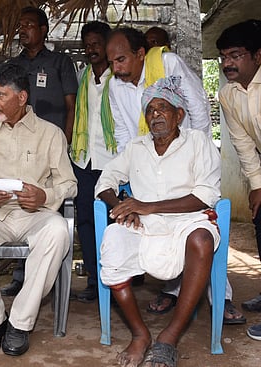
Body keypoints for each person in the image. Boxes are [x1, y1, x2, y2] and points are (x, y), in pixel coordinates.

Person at [95, 76, 221, 367]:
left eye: (162, 108)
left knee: (201, 239)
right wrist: (123, 207)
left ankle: (169, 337)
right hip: (145, 226)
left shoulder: (198, 142)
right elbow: (104, 182)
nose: (155, 115)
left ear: (179, 114)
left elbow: (205, 195)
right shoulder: (136, 147)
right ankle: (140, 334)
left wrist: (147, 206)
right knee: (113, 241)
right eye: (150, 110)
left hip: (188, 221)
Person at [0, 62, 77, 357]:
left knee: (59, 231)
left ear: (21, 98)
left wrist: (44, 195)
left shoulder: (51, 134)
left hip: (36, 215)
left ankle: (20, 322)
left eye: (0, 95)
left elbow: (69, 185)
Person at [2, 6, 78, 296]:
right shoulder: (14, 66)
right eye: (20, 25)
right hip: (20, 150)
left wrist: (66, 144)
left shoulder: (60, 62)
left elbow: (71, 106)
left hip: (52, 149)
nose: (23, 30)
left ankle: (51, 276)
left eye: (29, 25)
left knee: (51, 211)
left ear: (43, 30)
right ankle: (22, 277)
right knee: (23, 207)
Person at [217, 19, 261, 340]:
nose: (227, 63)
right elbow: (244, 143)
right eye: (223, 56)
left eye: (235, 55)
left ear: (257, 56)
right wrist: (257, 185)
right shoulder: (228, 95)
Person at [106, 27, 211, 153]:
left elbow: (198, 108)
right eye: (111, 63)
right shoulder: (114, 84)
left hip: (183, 153)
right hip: (144, 160)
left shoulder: (168, 64)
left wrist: (199, 152)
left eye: (121, 60)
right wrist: (128, 163)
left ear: (140, 54)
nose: (116, 69)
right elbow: (122, 130)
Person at [70, 21, 114, 303]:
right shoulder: (82, 76)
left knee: (114, 220)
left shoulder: (119, 77)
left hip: (113, 160)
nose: (91, 48)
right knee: (85, 220)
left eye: (97, 43)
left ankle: (115, 278)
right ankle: (94, 279)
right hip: (84, 159)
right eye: (87, 44)